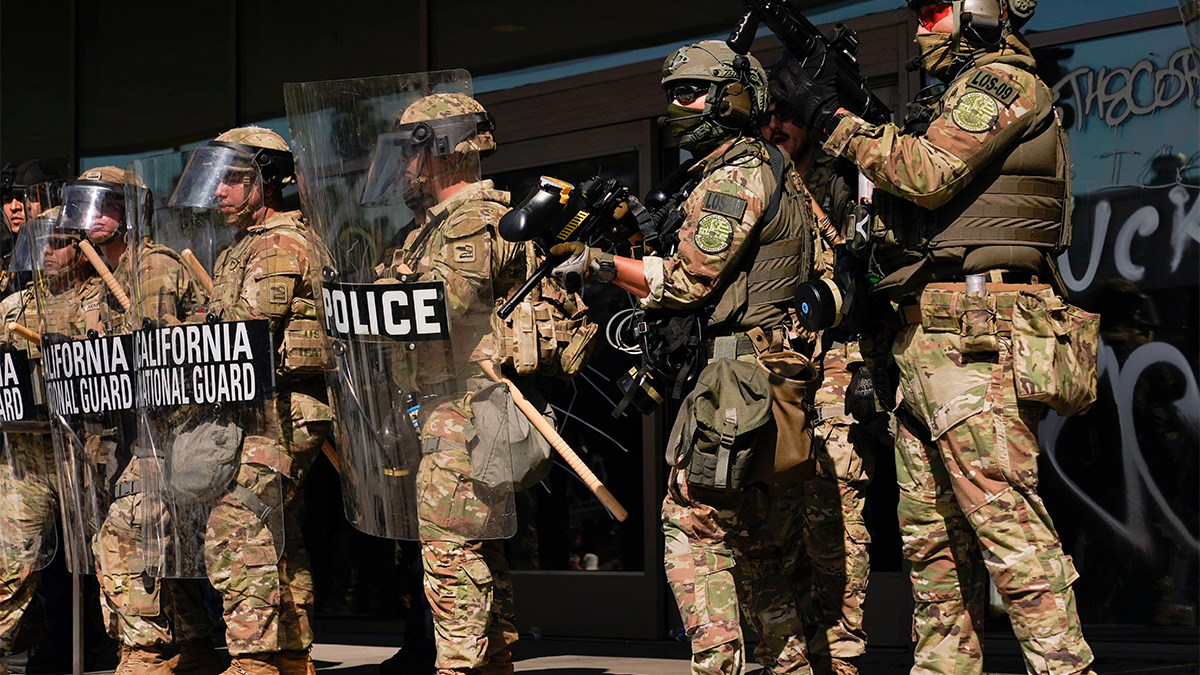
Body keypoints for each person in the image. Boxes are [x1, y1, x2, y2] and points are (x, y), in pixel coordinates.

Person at [771, 1, 1096, 673]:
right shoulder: (946, 98)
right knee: (932, 544)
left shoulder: (1003, 82)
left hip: (978, 334)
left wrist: (831, 119)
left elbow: (925, 173)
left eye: (936, 11)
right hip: (926, 339)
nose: (923, 29)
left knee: (1006, 526)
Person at [552, 40, 821, 674]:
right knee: (752, 545)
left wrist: (600, 265)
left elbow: (688, 281)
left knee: (690, 533)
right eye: (672, 94)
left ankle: (716, 664)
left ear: (731, 99)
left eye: (691, 93)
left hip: (738, 380)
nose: (678, 105)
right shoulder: (758, 168)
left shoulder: (735, 177)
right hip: (753, 377)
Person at [372, 93, 528, 675]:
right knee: (472, 541)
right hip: (438, 401)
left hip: (466, 402)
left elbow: (448, 301)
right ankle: (490, 662)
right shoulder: (428, 227)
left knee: (451, 548)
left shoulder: (472, 217)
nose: (404, 168)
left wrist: (374, 302)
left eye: (413, 154)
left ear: (445, 152)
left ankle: (460, 667)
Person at [170, 127, 331, 675]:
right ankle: (289, 654)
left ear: (270, 181)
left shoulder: (280, 242)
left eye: (233, 180)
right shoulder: (243, 246)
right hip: (253, 407)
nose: (218, 192)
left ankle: (255, 659)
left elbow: (248, 329)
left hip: (285, 408)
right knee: (271, 531)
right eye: (215, 180)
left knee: (237, 522)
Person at [46, 167, 218, 675]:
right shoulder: (103, 279)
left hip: (172, 433)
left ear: (132, 214)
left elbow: (154, 364)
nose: (92, 216)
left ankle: (145, 654)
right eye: (86, 205)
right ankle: (195, 648)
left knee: (125, 536)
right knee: (163, 548)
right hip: (131, 434)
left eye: (107, 206)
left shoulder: (152, 267)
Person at [760, 102, 893, 675]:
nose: (776, 127)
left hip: (841, 361)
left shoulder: (846, 177)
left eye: (788, 116)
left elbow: (870, 271)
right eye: (767, 117)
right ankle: (797, 652)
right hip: (781, 367)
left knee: (836, 516)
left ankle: (842, 657)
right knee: (777, 519)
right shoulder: (759, 183)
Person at [0, 160, 61, 296]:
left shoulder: (64, 249)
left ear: (47, 201)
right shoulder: (3, 251)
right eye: (7, 200)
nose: (14, 207)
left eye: (22, 198)